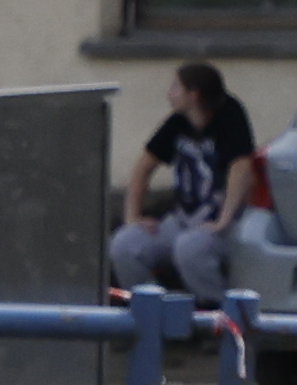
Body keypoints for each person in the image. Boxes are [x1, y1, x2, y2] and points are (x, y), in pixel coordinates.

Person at [110, 60, 266, 301]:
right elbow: (143, 167)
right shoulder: (178, 122)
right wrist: (133, 218)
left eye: (175, 87)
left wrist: (222, 222)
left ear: (193, 95)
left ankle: (217, 319)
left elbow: (242, 169)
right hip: (182, 221)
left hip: (225, 224)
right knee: (123, 245)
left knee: (189, 249)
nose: (169, 94)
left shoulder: (229, 116)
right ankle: (155, 312)